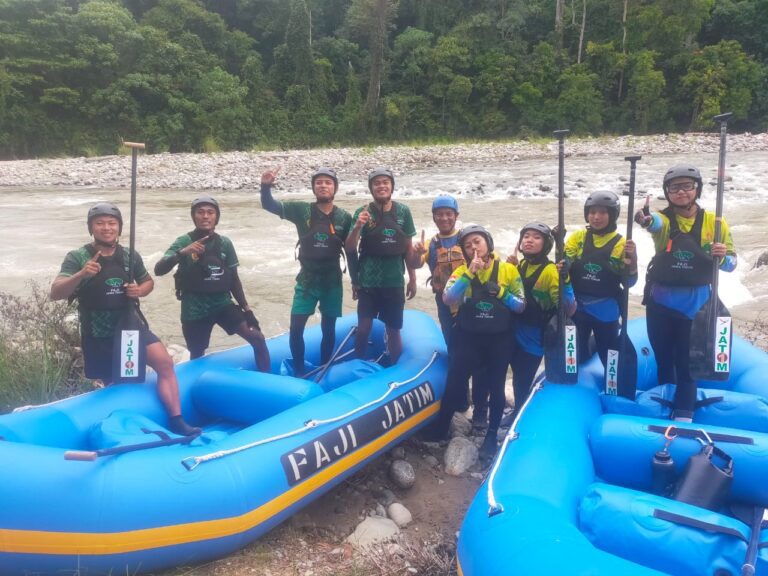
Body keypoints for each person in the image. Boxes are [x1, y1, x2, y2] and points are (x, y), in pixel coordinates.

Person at [50, 202, 200, 436]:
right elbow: (56, 292)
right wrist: (81, 274)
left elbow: (148, 281)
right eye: (100, 223)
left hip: (129, 325)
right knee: (115, 384)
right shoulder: (77, 256)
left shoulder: (129, 255)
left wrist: (140, 290)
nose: (106, 228)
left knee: (164, 362)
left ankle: (176, 419)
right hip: (98, 331)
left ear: (119, 228)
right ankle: (124, 430)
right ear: (91, 228)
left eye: (112, 223)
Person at [635, 164, 737, 422]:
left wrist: (722, 257)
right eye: (674, 187)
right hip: (661, 305)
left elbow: (732, 263)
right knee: (664, 360)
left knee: (688, 365)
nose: (680, 191)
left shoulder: (716, 223)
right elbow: (652, 223)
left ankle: (684, 415)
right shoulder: (665, 219)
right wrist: (645, 219)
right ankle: (664, 406)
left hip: (696, 306)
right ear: (667, 192)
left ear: (697, 189)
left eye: (686, 186)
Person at [427, 225, 526, 456]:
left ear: (488, 244)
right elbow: (448, 297)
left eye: (478, 242)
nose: (474, 247)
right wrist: (469, 274)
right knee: (455, 382)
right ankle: (442, 427)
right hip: (467, 337)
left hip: (499, 339)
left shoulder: (508, 271)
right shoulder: (462, 271)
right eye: (468, 244)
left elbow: (521, 306)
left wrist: (501, 293)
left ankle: (491, 436)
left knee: (496, 384)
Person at [154, 196, 270, 372]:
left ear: (216, 217)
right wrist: (183, 252)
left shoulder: (224, 243)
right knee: (197, 352)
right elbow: (159, 269)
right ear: (194, 217)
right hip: (194, 308)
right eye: (200, 212)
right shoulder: (184, 241)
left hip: (222, 304)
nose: (205, 216)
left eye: (210, 212)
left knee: (257, 338)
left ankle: (267, 380)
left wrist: (247, 309)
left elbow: (234, 279)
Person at [259, 167, 353, 376]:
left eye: (328, 182)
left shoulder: (345, 217)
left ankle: (324, 368)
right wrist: (265, 187)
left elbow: (351, 250)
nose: (323, 186)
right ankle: (300, 370)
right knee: (296, 327)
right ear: (313, 188)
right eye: (318, 182)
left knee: (328, 329)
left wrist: (356, 282)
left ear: (335, 188)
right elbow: (270, 205)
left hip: (332, 281)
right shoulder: (301, 210)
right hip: (307, 280)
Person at [345, 168, 418, 364]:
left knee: (393, 330)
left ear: (392, 186)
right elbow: (350, 248)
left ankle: (395, 367)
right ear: (371, 188)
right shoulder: (362, 212)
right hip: (368, 281)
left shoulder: (403, 212)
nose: (381, 186)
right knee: (363, 328)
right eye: (376, 183)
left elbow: (408, 248)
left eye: (385, 182)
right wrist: (358, 227)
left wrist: (413, 279)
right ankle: (358, 366)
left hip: (394, 280)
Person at [508, 223, 577, 418]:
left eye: (536, 237)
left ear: (546, 245)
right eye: (526, 236)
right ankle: (517, 410)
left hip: (535, 337)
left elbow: (569, 308)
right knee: (517, 379)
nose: (529, 240)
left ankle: (521, 414)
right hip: (516, 332)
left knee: (522, 379)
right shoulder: (519, 266)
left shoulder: (551, 271)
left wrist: (566, 281)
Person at [564, 191, 638, 366]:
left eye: (603, 212)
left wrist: (633, 260)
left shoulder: (622, 244)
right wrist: (561, 258)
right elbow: (565, 265)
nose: (596, 217)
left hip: (606, 309)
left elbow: (629, 283)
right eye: (592, 212)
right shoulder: (578, 237)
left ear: (612, 215)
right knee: (576, 354)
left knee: (609, 354)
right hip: (577, 308)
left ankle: (611, 385)